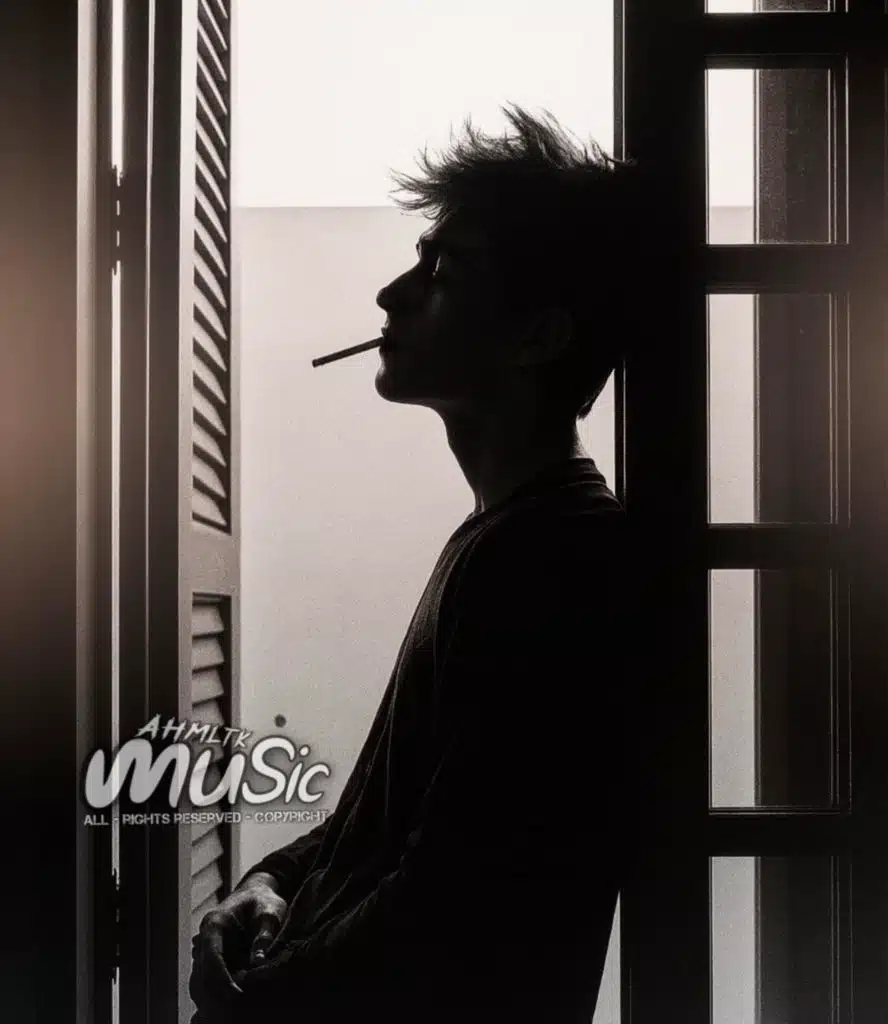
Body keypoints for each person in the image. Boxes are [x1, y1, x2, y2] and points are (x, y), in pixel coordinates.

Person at [189, 104, 650, 1024]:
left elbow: (453, 903)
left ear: (538, 336)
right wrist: (270, 881)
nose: (390, 295)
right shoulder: (509, 534)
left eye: (443, 272)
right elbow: (392, 821)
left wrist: (254, 1004)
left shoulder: (556, 557)